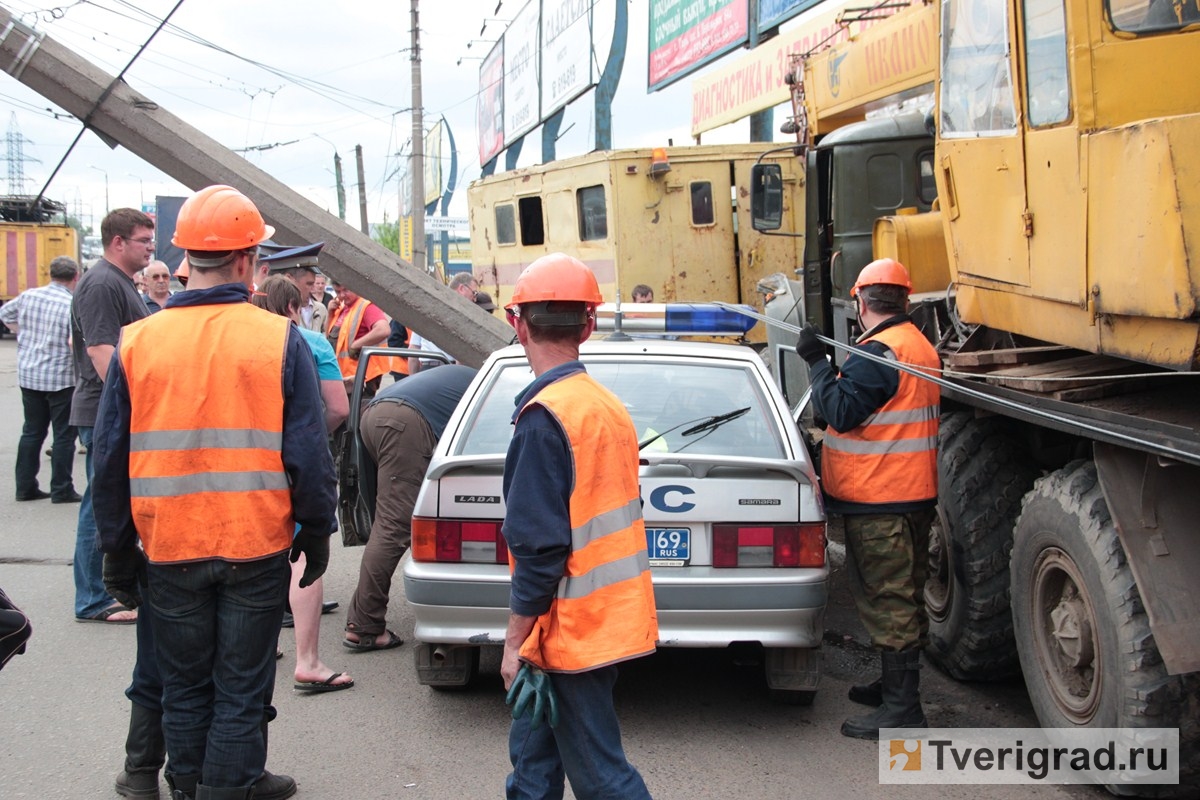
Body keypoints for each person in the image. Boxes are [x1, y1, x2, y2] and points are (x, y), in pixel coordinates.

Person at [93, 185, 337, 800]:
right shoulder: (277, 339)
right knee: (241, 686)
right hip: (254, 546)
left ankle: (189, 784)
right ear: (246, 260)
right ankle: (228, 785)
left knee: (184, 686)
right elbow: (308, 453)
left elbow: (108, 460)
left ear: (185, 260)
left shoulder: (137, 340)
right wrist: (317, 530)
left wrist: (117, 550)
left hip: (169, 546)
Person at [500, 253, 658, 800]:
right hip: (591, 623)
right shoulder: (605, 406)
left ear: (516, 322)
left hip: (569, 633)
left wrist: (513, 642)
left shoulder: (545, 419)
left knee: (602, 778)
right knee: (532, 769)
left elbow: (540, 548)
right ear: (588, 325)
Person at [794, 257, 940, 741]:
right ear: (907, 299)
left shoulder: (881, 352)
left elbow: (835, 409)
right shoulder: (917, 346)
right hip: (910, 494)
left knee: (888, 600)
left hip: (880, 499)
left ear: (860, 301)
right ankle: (894, 687)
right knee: (904, 594)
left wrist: (817, 362)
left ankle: (903, 709)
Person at [252, 276, 353, 693]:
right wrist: (313, 436)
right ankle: (308, 660)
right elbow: (338, 407)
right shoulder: (312, 343)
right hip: (298, 465)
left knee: (260, 554)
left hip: (251, 463)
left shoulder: (250, 342)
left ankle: (265, 643)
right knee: (302, 559)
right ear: (295, 307)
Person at [344, 364, 476, 651]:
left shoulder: (470, 374)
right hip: (404, 422)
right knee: (392, 527)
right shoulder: (493, 387)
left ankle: (365, 618)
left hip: (376, 414)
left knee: (391, 520)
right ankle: (364, 625)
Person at [69, 207, 153, 625]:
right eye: (144, 240)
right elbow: (102, 352)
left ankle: (100, 593)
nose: (151, 247)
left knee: (103, 500)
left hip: (110, 408)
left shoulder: (117, 281)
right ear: (118, 242)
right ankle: (94, 599)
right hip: (104, 408)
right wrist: (135, 405)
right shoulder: (102, 283)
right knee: (99, 504)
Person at [1, 256, 81, 503]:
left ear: (51, 274)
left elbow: (5, 313)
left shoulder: (29, 296)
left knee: (32, 432)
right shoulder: (70, 303)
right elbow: (72, 343)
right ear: (75, 277)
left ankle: (25, 487)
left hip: (30, 375)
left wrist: (22, 332)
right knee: (64, 436)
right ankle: (61, 488)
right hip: (60, 378)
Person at [325, 281, 392, 398]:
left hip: (362, 379)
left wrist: (356, 345)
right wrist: (330, 314)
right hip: (346, 378)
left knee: (357, 414)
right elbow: (328, 338)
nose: (341, 295)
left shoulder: (367, 307)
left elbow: (383, 330)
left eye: (345, 290)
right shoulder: (341, 308)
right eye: (337, 292)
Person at [260, 243, 328, 333]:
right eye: (309, 284)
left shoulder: (319, 309)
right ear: (289, 279)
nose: (313, 289)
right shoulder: (261, 313)